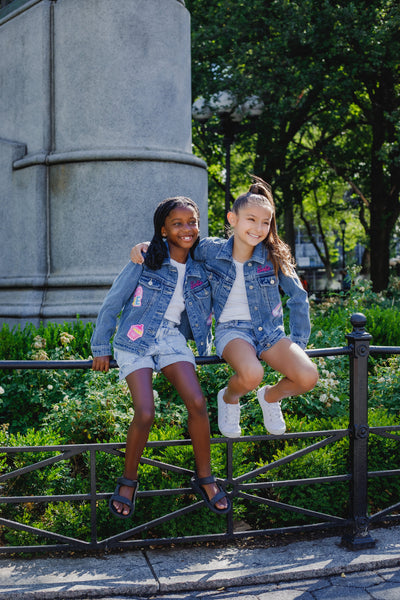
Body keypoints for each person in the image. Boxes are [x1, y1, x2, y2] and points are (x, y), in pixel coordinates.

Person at [130, 178, 319, 439]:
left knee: (307, 376)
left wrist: (297, 343)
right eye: (251, 219)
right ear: (233, 219)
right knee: (253, 373)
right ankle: (230, 398)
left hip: (271, 334)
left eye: (265, 222)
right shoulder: (210, 250)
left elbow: (298, 297)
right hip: (233, 332)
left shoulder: (273, 255)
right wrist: (147, 246)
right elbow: (180, 242)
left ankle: (270, 397)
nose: (259, 228)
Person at [91, 196, 230, 518]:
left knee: (196, 402)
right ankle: (128, 480)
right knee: (145, 410)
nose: (187, 229)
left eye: (192, 222)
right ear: (163, 230)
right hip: (135, 338)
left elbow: (233, 253)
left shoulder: (202, 265)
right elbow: (113, 303)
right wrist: (101, 348)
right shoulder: (145, 259)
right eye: (178, 224)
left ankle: (205, 477)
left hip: (171, 339)